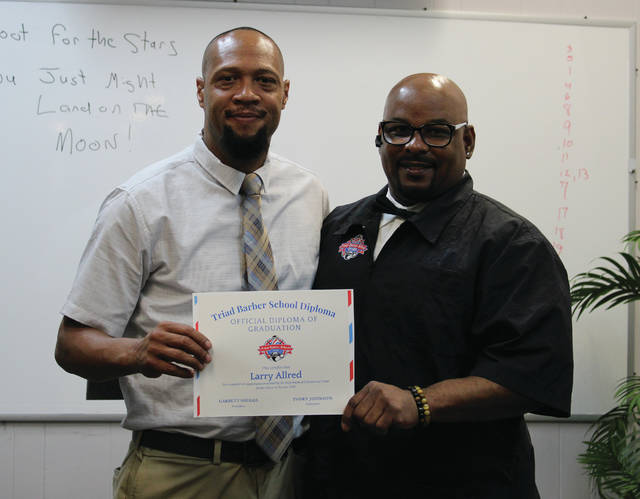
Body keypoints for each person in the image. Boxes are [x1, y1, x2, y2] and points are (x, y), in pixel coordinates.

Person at [55, 27, 328, 499]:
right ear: (201, 92)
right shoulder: (140, 203)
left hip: (289, 472)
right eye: (227, 79)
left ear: (285, 93)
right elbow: (72, 345)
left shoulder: (311, 196)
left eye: (264, 80)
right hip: (181, 471)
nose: (246, 94)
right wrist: (137, 354)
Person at [310, 73, 573, 498]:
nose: (414, 146)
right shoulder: (338, 227)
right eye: (399, 131)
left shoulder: (511, 243)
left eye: (436, 132)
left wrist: (420, 402)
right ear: (380, 138)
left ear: (467, 141)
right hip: (340, 477)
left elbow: (532, 374)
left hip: (464, 481)